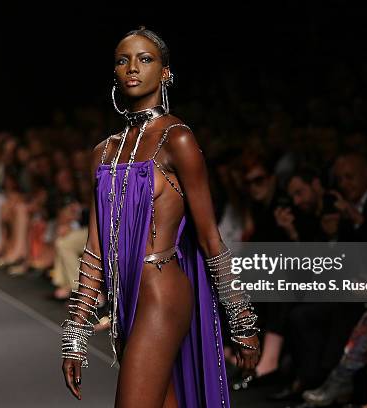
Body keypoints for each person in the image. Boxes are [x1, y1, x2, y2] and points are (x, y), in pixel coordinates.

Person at [60, 27, 260, 407]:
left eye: (145, 59)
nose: (132, 67)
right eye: (123, 60)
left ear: (165, 72)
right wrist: (75, 336)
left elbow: (209, 238)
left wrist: (242, 322)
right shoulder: (103, 152)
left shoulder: (177, 139)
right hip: (125, 298)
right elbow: (94, 250)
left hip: (161, 293)